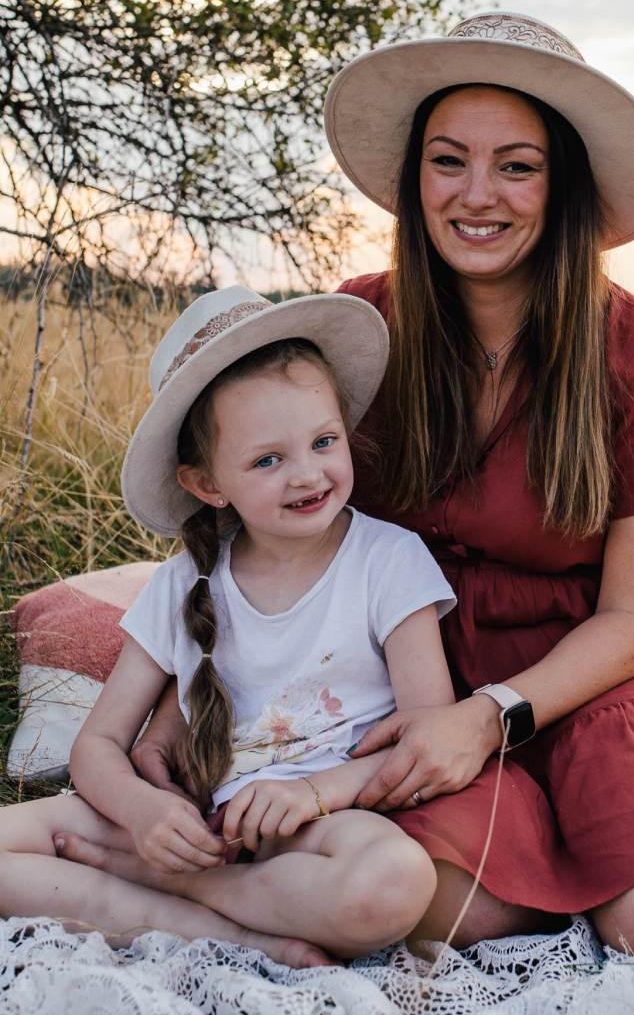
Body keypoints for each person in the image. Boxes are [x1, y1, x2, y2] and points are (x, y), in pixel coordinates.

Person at [85, 12, 634, 956]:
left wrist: (490, 716)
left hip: (589, 676)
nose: (476, 195)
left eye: (517, 164)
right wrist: (191, 701)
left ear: (563, 185)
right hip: (405, 677)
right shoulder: (358, 328)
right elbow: (273, 529)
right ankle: (569, 849)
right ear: (413, 177)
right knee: (432, 907)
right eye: (447, 159)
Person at [0, 288, 459, 966]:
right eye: (267, 460)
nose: (307, 473)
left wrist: (312, 791)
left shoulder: (386, 561)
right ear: (208, 483)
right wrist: (142, 812)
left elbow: (428, 731)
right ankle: (223, 931)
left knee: (393, 885)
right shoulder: (186, 580)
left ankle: (179, 889)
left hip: (321, 826)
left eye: (323, 441)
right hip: (193, 822)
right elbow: (98, 743)